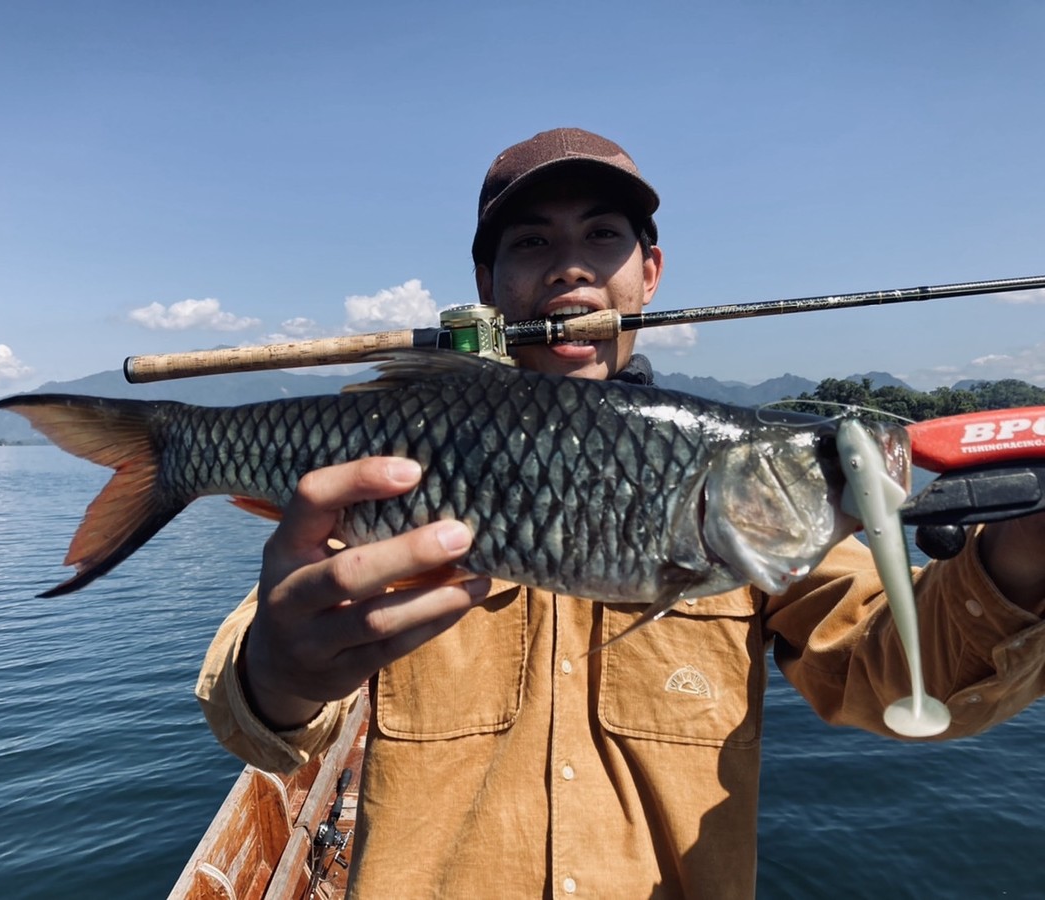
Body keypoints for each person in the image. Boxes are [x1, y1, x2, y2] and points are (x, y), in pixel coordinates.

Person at [197, 128, 1045, 897]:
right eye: (532, 242)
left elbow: (896, 674)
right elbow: (252, 717)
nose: (571, 266)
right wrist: (278, 675)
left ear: (651, 272)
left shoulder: (740, 478)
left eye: (603, 235)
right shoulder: (397, 463)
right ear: (489, 284)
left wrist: (1020, 561)